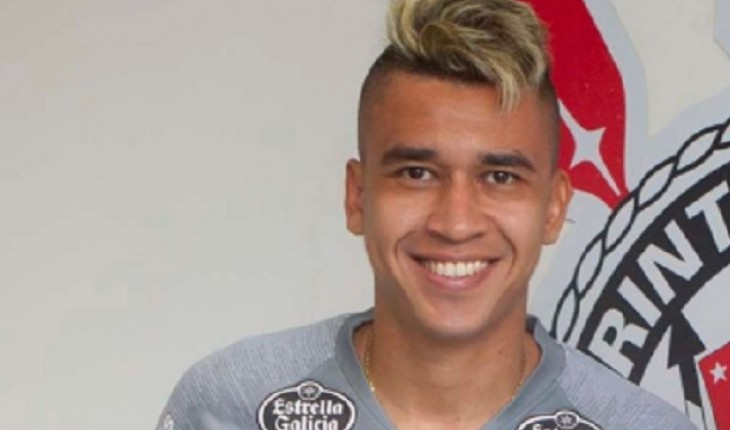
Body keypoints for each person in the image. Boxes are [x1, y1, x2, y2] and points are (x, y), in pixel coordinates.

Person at [156, 0, 698, 429]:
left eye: (500, 177)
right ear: (357, 196)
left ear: (554, 208)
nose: (455, 223)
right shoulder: (232, 405)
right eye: (417, 173)